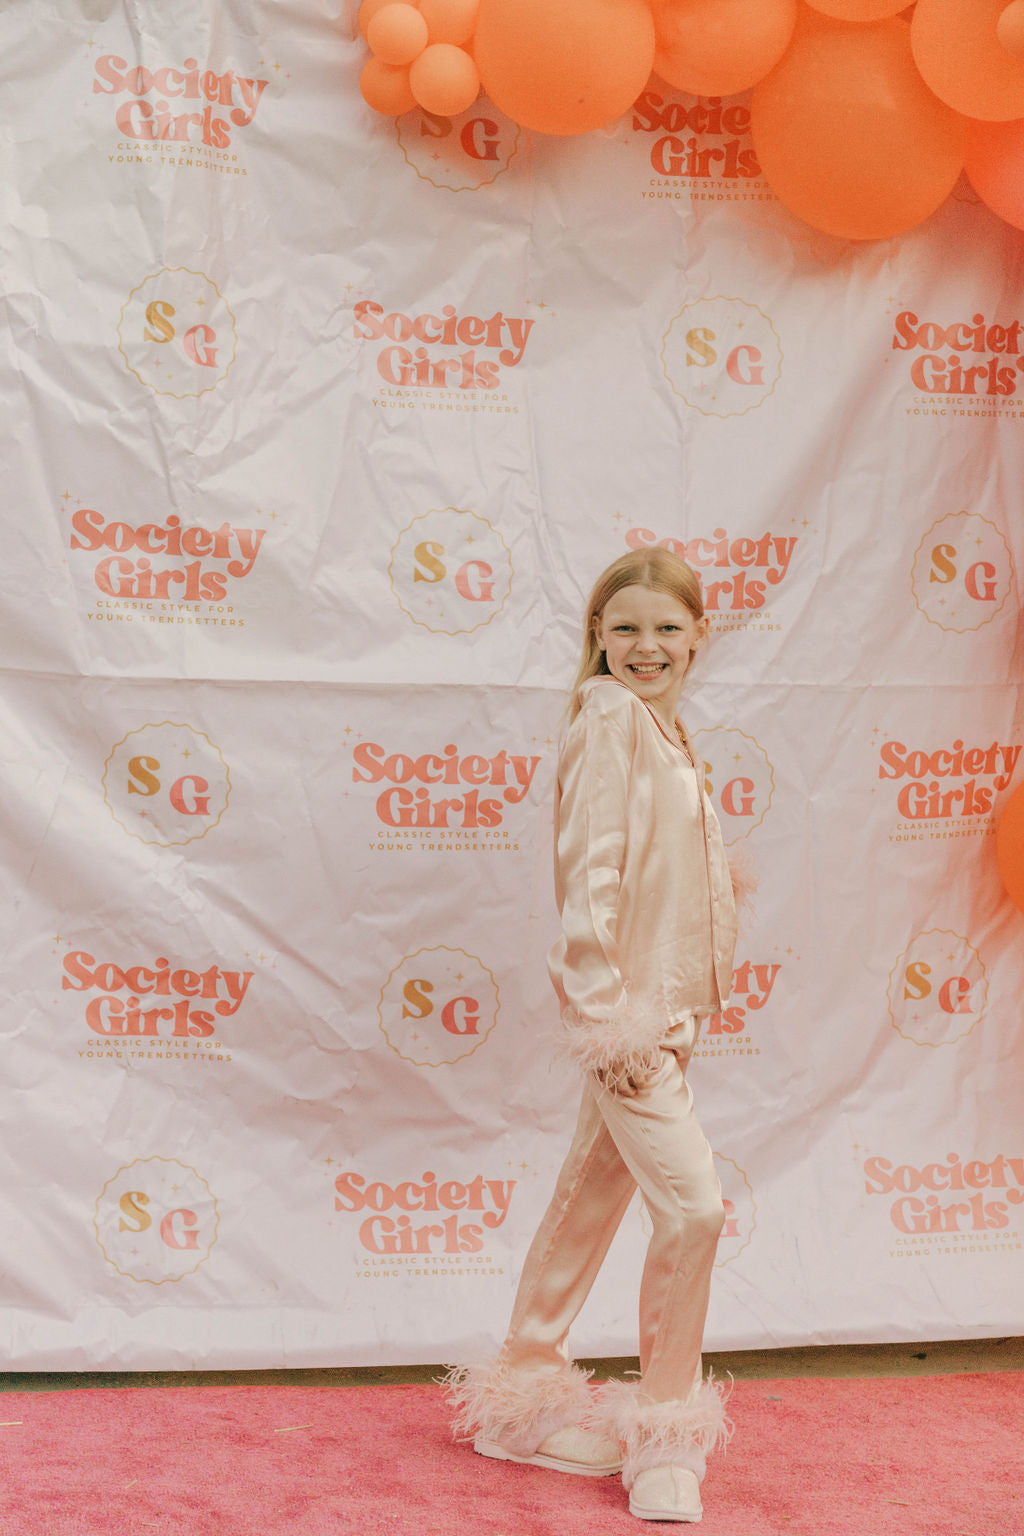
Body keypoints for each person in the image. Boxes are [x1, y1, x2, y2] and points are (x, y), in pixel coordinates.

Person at [443, 548, 740, 1524]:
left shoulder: (664, 727)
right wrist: (610, 1012)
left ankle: (519, 1401)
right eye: (625, 629)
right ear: (597, 640)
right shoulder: (610, 716)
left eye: (665, 627)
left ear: (699, 633)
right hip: (627, 1022)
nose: (645, 646)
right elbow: (590, 876)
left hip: (668, 1015)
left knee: (591, 1192)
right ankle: (663, 1438)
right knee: (693, 1209)